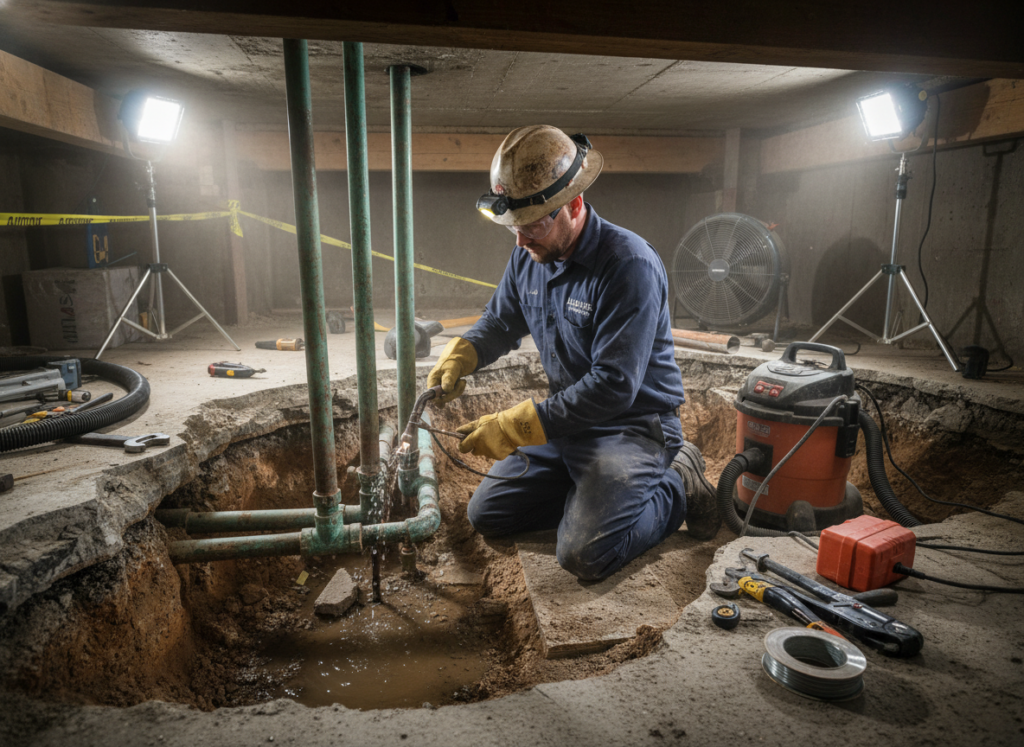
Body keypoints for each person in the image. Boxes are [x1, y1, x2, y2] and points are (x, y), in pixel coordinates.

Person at [427, 125, 719, 582]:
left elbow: (614, 386)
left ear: (575, 205)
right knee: (488, 515)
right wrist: (464, 351)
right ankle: (593, 494)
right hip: (569, 427)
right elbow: (502, 321)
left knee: (584, 555)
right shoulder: (530, 253)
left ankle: (677, 482)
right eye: (514, 230)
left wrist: (517, 425)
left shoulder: (628, 265)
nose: (521, 242)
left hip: (631, 428)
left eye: (532, 227)